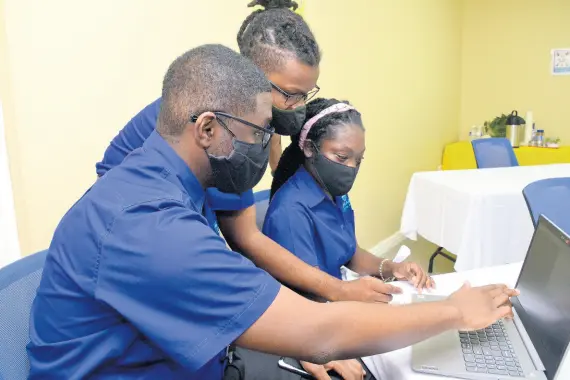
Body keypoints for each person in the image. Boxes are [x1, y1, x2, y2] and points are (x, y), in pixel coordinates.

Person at [28, 44, 517, 380]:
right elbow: (319, 334)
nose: (268, 150)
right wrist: (455, 311)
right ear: (207, 129)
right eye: (261, 133)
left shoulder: (167, 177)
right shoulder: (149, 223)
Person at [95, 0, 413, 306]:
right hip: (130, 231)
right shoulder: (223, 125)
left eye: (306, 95)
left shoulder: (249, 112)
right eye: (290, 95)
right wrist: (337, 294)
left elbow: (273, 160)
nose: (298, 107)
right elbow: (245, 239)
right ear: (253, 75)